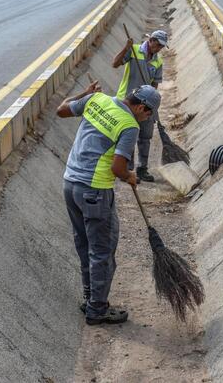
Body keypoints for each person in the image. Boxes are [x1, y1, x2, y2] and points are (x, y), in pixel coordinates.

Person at [57, 83, 161, 325]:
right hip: (94, 191)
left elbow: (61, 110)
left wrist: (84, 91)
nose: (147, 118)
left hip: (70, 184)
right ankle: (97, 309)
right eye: (148, 113)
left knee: (84, 245)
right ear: (141, 106)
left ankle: (90, 297)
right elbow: (117, 168)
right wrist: (130, 176)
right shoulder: (129, 125)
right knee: (102, 251)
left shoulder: (96, 99)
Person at [112, 30, 167, 182]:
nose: (159, 49)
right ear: (151, 40)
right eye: (158, 45)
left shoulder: (158, 61)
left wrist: (152, 101)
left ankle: (142, 169)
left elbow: (155, 83)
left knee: (145, 137)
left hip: (145, 105)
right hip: (127, 102)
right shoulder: (134, 51)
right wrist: (125, 47)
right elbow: (114, 64)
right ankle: (127, 169)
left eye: (162, 47)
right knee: (127, 135)